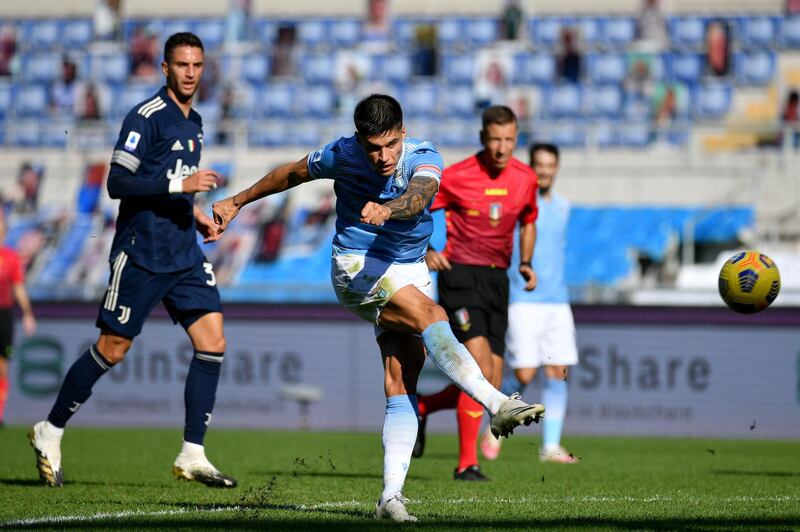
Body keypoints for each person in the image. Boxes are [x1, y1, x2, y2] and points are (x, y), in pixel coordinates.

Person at [212, 94, 544, 522]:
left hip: (408, 269)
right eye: (374, 147)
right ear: (358, 140)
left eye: (390, 145)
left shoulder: (424, 156)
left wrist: (388, 208)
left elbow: (421, 196)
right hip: (357, 268)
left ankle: (390, 498)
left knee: (401, 381)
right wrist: (235, 202)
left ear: (403, 134)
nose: (383, 156)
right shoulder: (341, 154)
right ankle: (497, 404)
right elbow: (291, 173)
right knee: (434, 317)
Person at [28, 32, 237, 489]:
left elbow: (173, 184)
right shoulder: (146, 117)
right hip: (141, 253)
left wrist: (197, 215)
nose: (190, 73)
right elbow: (118, 183)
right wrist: (182, 190)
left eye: (197, 65)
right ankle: (51, 428)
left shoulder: (195, 121)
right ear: (165, 68)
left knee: (213, 340)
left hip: (182, 251)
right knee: (113, 349)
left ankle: (192, 453)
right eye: (181, 65)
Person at [412, 106, 539, 481]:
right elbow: (416, 211)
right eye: (495, 139)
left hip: (498, 281)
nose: (502, 148)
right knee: (481, 368)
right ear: (483, 138)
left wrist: (526, 261)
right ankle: (467, 462)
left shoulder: (525, 178)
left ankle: (424, 407)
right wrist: (428, 250)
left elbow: (529, 219)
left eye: (509, 140)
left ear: (517, 139)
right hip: (460, 277)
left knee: (492, 382)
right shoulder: (456, 176)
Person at [480, 143, 580, 464]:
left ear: (557, 168)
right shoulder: (517, 205)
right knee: (523, 374)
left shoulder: (564, 207)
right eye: (539, 164)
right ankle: (495, 421)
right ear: (531, 167)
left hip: (557, 301)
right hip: (523, 299)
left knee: (558, 372)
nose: (545, 170)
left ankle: (550, 447)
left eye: (550, 165)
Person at [0, 213, 37, 427]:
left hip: (4, 313)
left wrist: (27, 313)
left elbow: (18, 287)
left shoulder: (10, 257)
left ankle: (0, 414)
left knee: (2, 365)